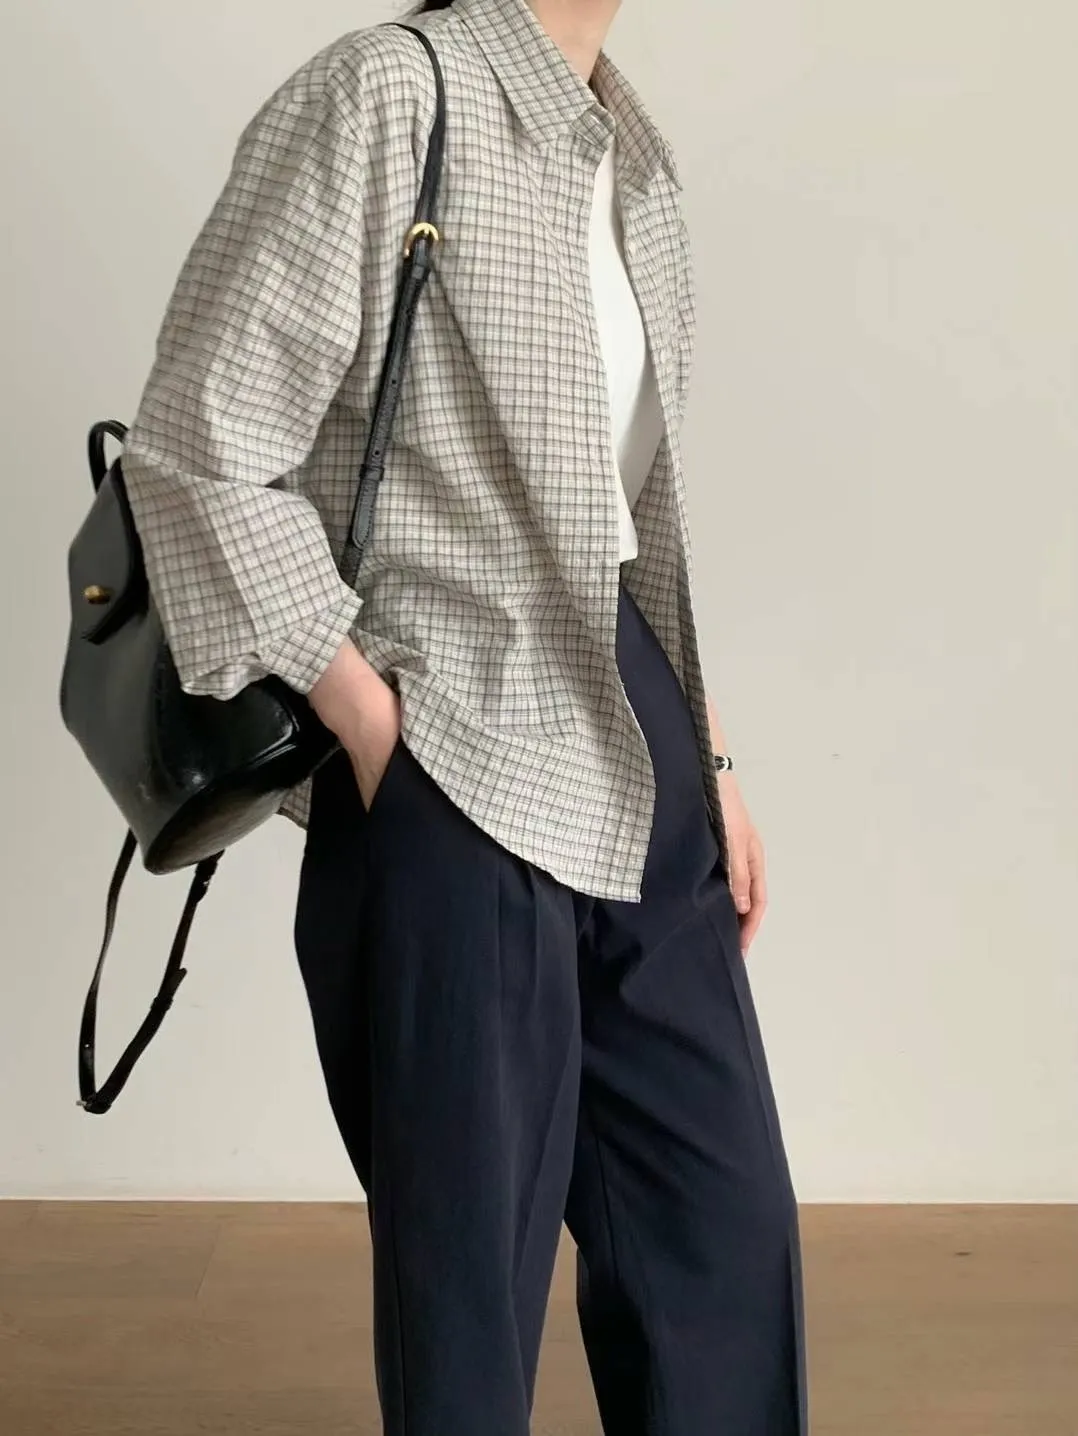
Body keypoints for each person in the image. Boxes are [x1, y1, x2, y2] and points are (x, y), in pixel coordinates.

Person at [119, 0, 808, 1430]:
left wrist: (713, 752)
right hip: (446, 739)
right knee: (468, 1303)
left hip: (632, 722)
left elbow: (624, 516)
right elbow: (195, 450)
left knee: (719, 1252)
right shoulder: (385, 95)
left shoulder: (628, 145)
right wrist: (375, 724)